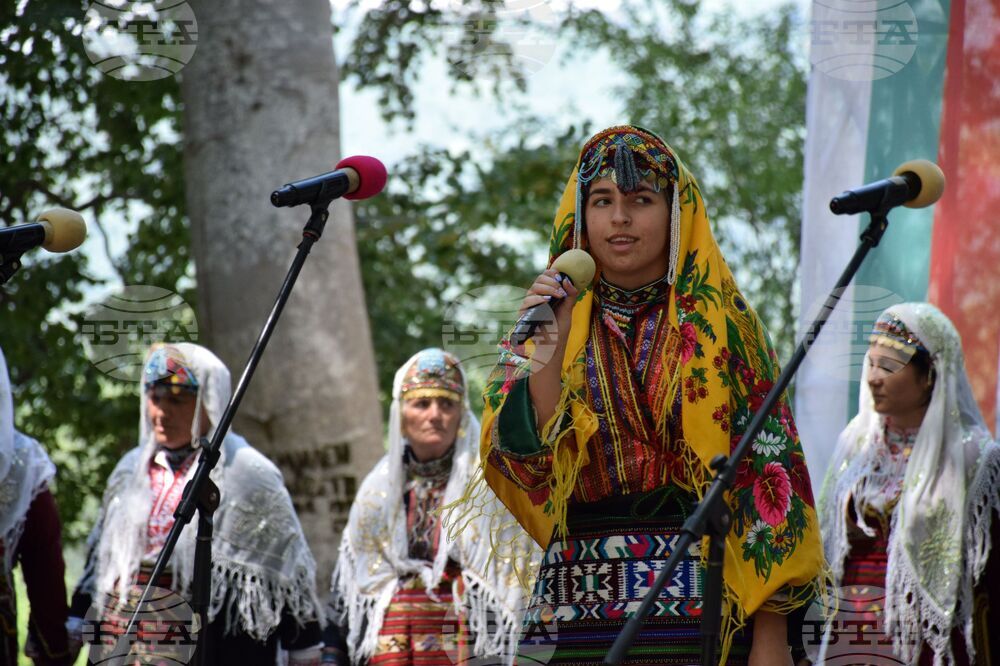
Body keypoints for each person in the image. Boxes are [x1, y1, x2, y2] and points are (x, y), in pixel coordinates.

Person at [478, 125, 825, 665]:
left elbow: (769, 480)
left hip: (707, 611)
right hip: (579, 610)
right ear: (579, 216)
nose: (619, 217)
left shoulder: (725, 322)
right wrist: (547, 349)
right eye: (602, 201)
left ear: (677, 215)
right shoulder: (545, 315)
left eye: (641, 200)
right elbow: (521, 460)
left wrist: (771, 640)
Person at [69, 342, 324, 665]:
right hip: (124, 641)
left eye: (177, 399)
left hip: (213, 642)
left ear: (210, 401)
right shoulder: (129, 470)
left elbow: (285, 572)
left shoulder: (247, 473)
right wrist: (76, 618)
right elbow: (100, 558)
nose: (161, 411)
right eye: (154, 397)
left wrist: (304, 646)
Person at [324, 348, 540, 665]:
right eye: (422, 403)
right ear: (401, 413)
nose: (434, 415)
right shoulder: (376, 491)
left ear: (462, 416)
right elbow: (351, 589)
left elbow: (514, 587)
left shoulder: (490, 487)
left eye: (447, 404)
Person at [820, 303, 1000, 665]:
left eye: (888, 366)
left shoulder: (973, 459)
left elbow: (990, 580)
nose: (873, 377)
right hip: (851, 639)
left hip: (928, 647)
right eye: (870, 363)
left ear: (930, 374)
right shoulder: (855, 448)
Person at [0, 346, 73, 664]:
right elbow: (46, 575)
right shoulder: (18, 463)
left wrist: (52, 642)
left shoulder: (18, 465)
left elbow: (45, 568)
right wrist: (54, 647)